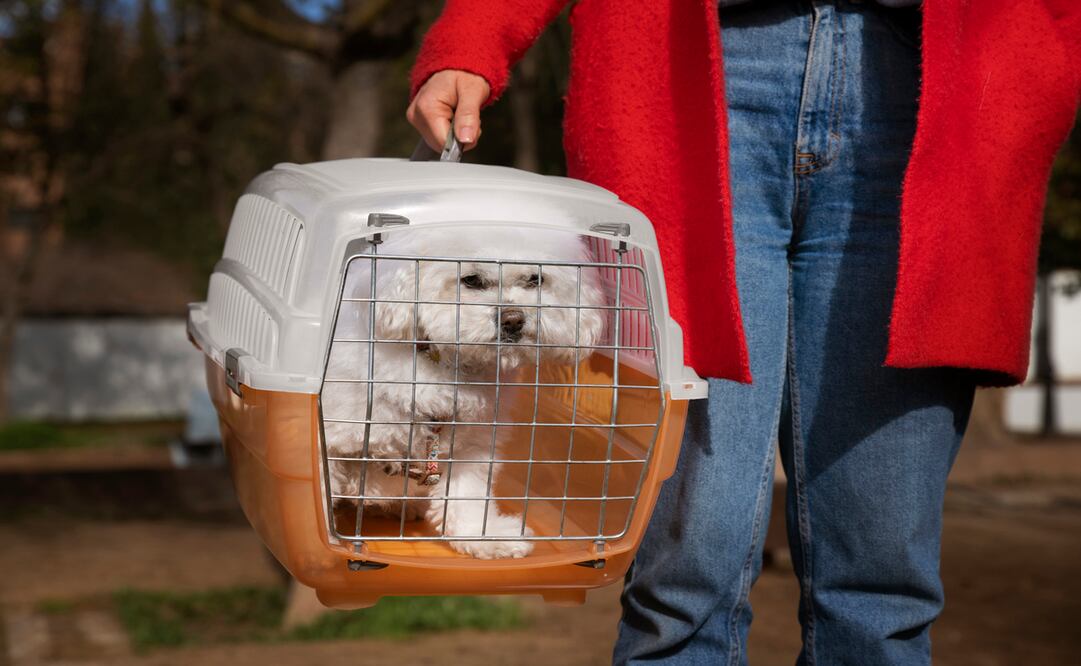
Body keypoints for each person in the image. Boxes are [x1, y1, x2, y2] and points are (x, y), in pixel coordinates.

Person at [406, 1, 1080, 663]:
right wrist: (472, 36)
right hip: (686, 84)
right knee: (683, 580)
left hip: (931, 89)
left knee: (881, 594)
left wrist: (1050, 60)